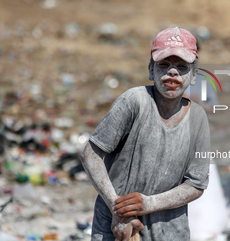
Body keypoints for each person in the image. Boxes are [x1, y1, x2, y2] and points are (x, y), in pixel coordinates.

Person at [80, 27, 210, 241]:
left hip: (170, 232)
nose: (173, 72)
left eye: (182, 67)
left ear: (194, 75)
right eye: (164, 65)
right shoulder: (135, 102)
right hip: (119, 230)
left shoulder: (197, 118)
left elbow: (196, 184)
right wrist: (119, 210)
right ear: (151, 70)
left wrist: (148, 203)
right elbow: (90, 154)